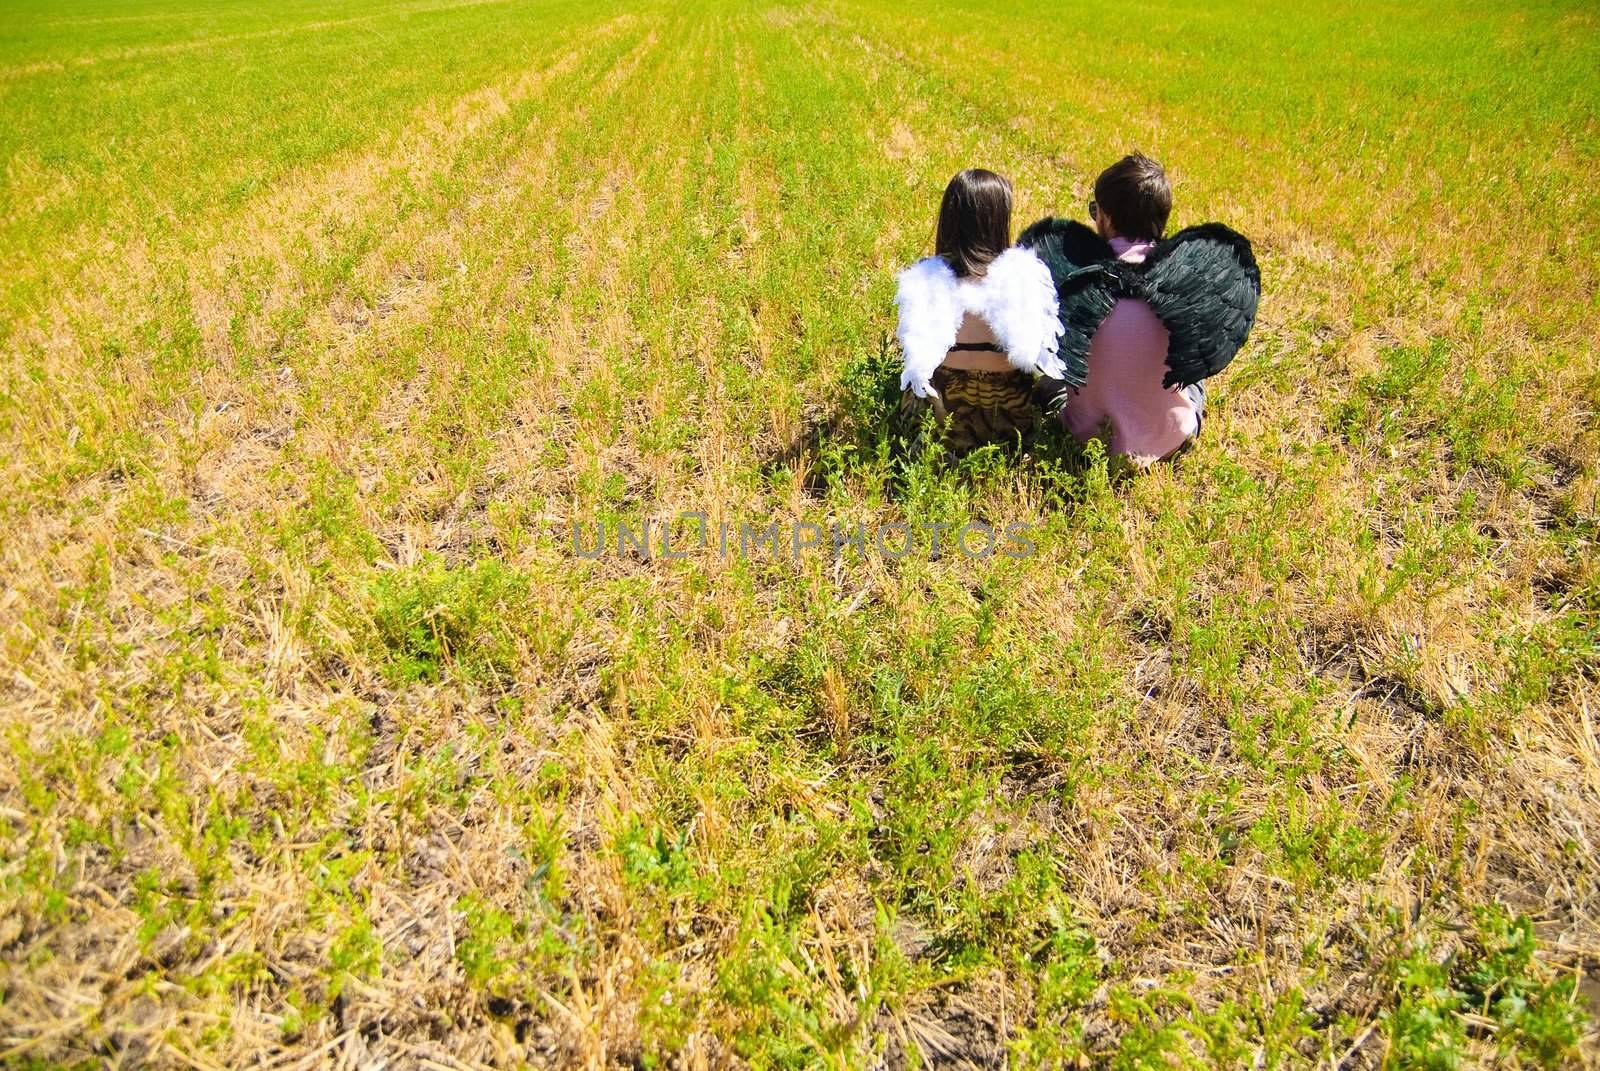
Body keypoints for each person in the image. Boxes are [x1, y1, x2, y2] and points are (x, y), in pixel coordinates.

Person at [891, 168, 1067, 457]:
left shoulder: (927, 279)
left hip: (947, 425)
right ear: (999, 222)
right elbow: (1039, 358)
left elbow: (915, 357)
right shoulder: (1023, 277)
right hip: (1011, 424)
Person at [1060, 155, 1204, 462]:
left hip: (1084, 434)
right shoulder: (1184, 278)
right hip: (1167, 438)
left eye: (1094, 211)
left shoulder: (1077, 274)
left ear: (1107, 218)